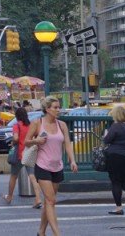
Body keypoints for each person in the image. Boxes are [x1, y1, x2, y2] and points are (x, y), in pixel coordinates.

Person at [25, 96, 78, 236]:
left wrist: (72, 160)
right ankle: (57, 234)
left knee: (50, 202)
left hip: (57, 166)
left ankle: (41, 232)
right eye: (55, 107)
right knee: (50, 200)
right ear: (47, 109)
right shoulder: (37, 123)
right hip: (42, 165)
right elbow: (26, 142)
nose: (58, 110)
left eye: (58, 107)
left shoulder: (62, 125)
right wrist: (36, 140)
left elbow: (67, 143)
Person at [3, 106, 43, 207]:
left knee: (13, 176)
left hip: (19, 154)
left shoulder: (17, 125)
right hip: (30, 153)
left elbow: (16, 138)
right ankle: (38, 198)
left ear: (17, 116)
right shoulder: (31, 125)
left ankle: (9, 197)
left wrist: (12, 142)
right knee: (33, 177)